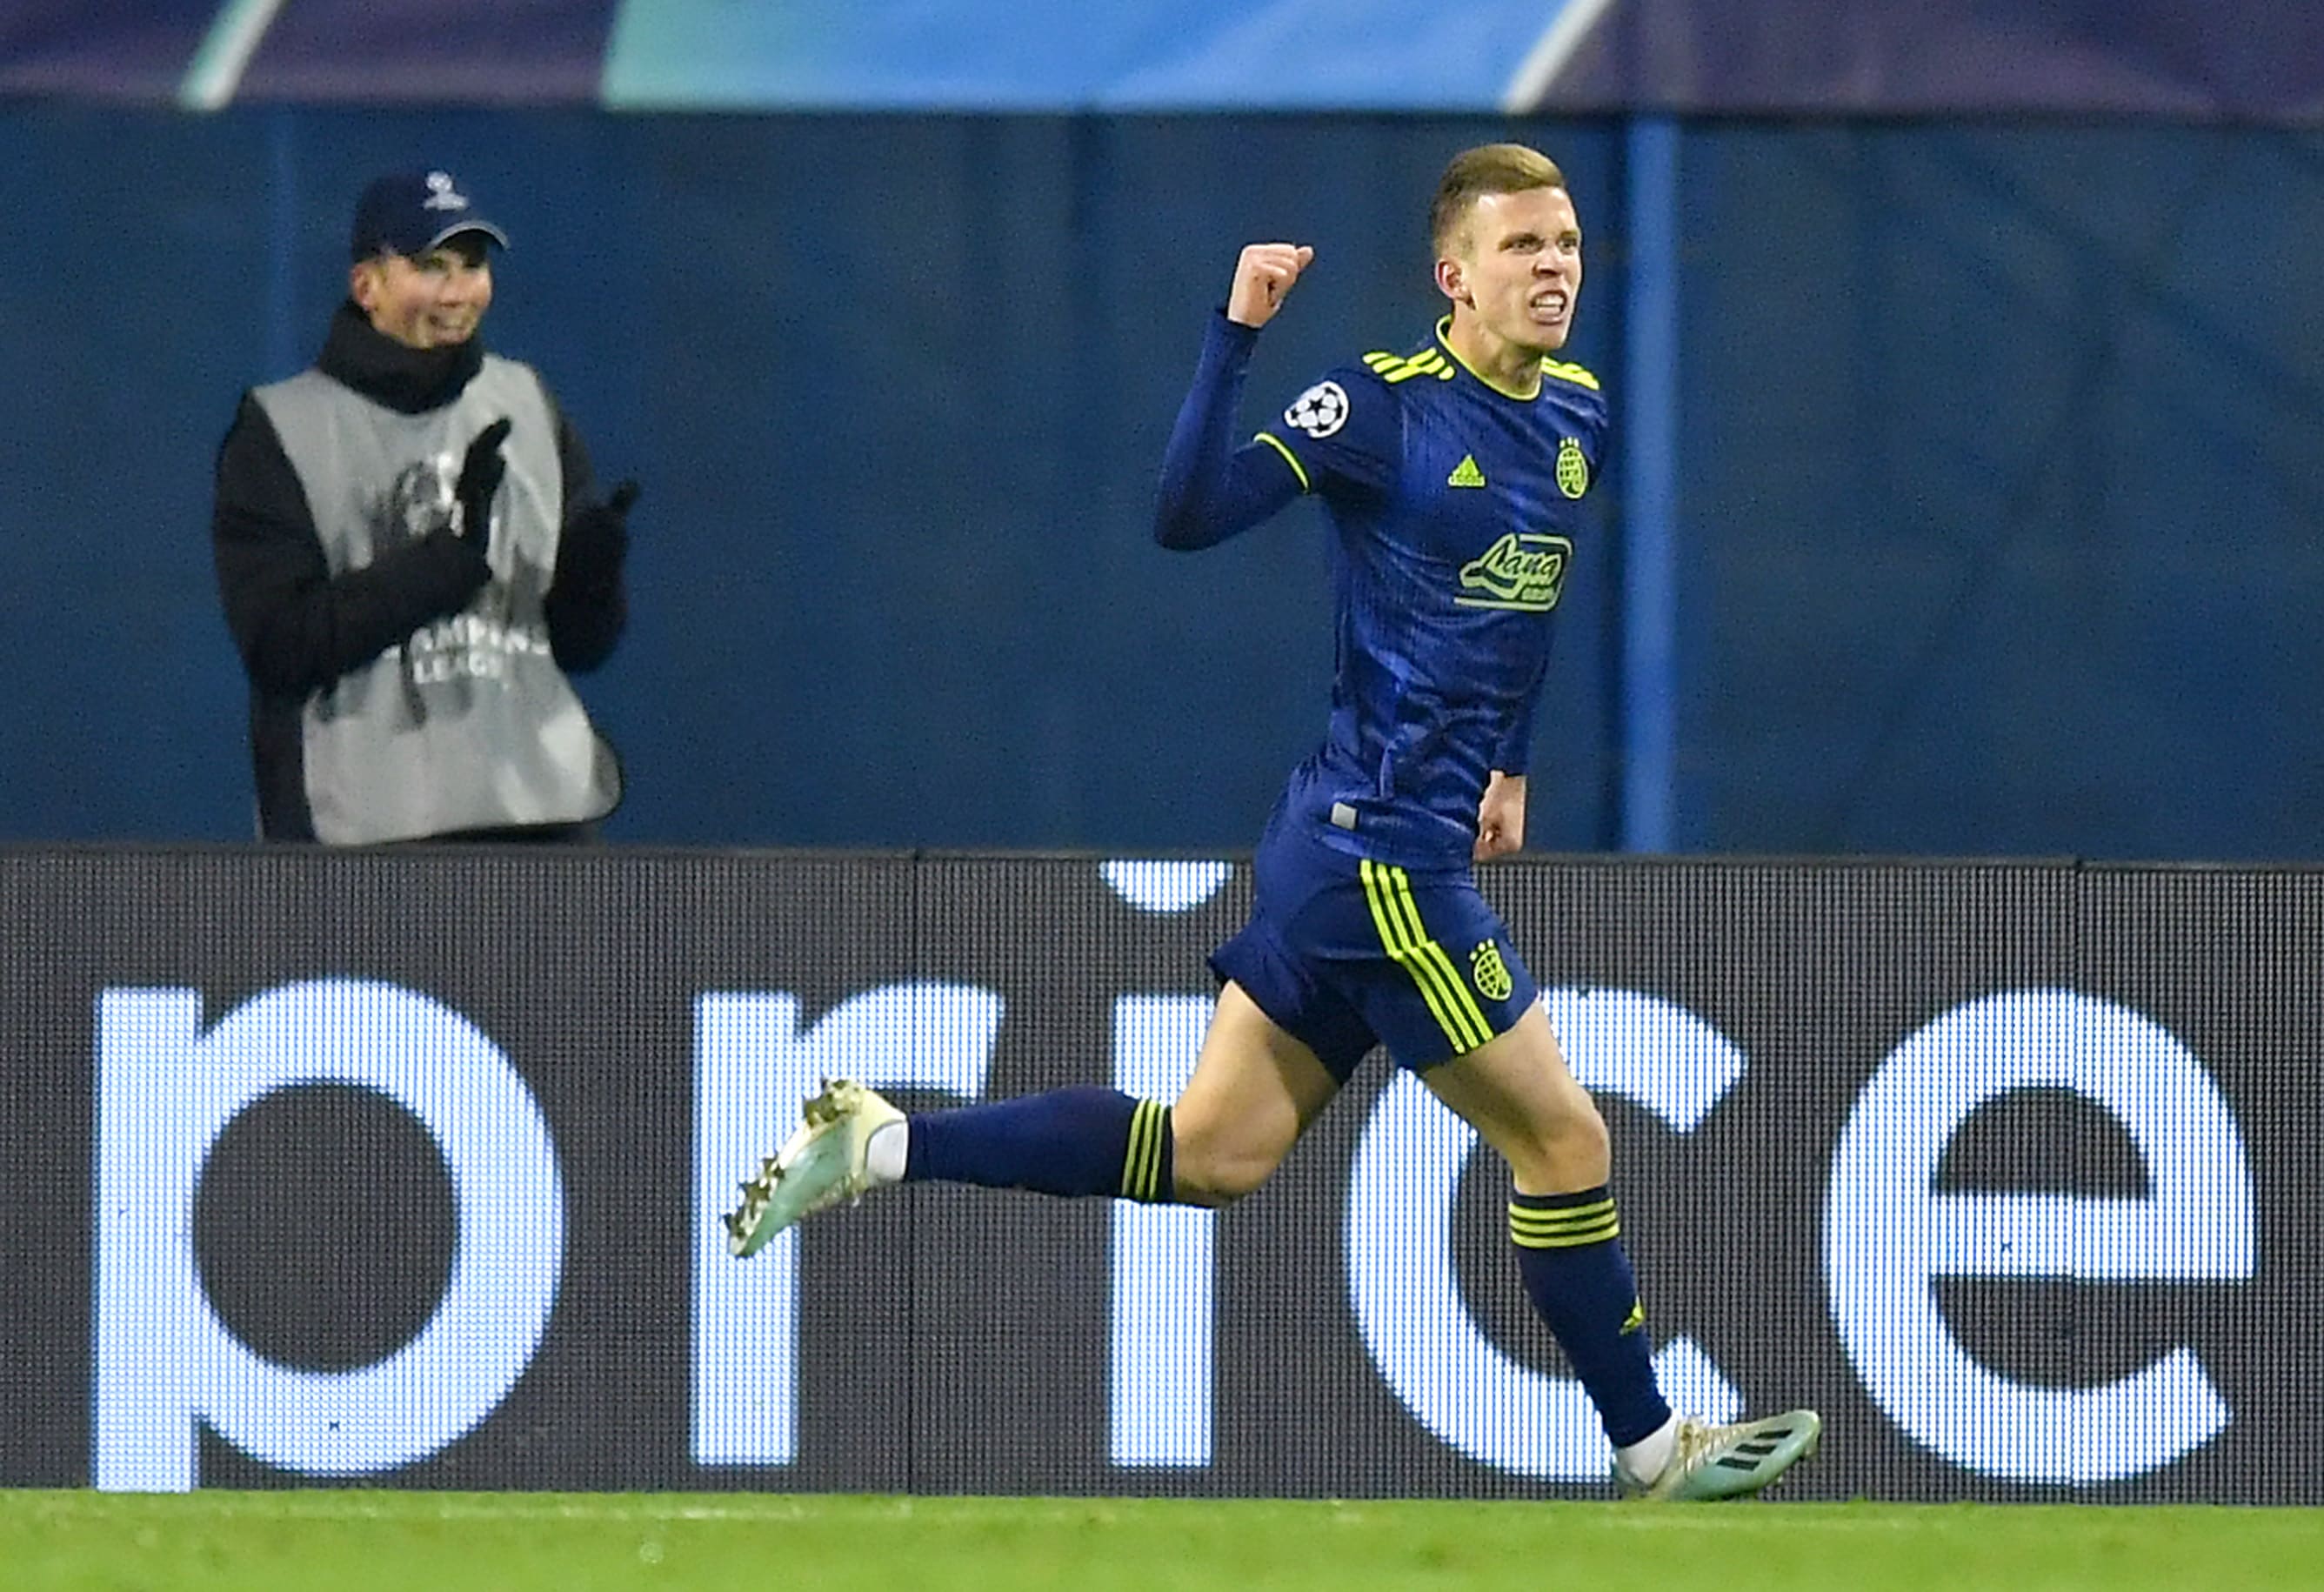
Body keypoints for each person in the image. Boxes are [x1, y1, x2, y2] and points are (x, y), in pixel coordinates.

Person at [724, 144, 1821, 1502]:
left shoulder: (1581, 413)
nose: (1555, 267)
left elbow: (1523, 610)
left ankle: (882, 1141)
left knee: (1211, 1153)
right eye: (1524, 246)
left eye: (1570, 244)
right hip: (1378, 857)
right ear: (1454, 275)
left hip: (1356, 841)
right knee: (1566, 1141)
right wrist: (1236, 331)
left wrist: (1514, 765)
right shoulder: (1378, 404)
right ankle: (1655, 1450)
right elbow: (1185, 513)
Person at [211, 167, 636, 844]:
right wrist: (445, 563)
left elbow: (579, 647)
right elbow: (281, 647)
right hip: (365, 833)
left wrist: (591, 583)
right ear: (367, 286)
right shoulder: (280, 429)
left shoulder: (526, 402)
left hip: (535, 821)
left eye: (472, 265)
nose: (459, 291)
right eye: (431, 266)